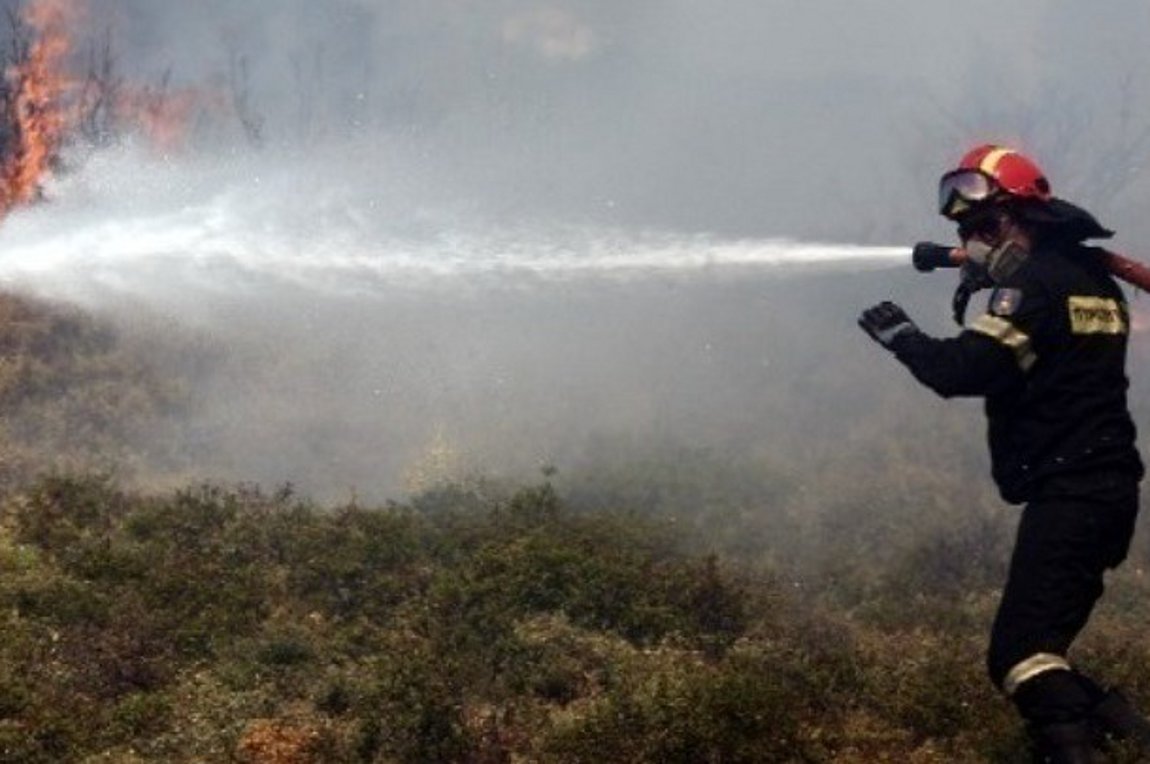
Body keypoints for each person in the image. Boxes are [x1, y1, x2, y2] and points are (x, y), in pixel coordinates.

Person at [858, 144, 1150, 763]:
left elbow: (966, 370)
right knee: (1041, 649)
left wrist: (901, 336)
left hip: (1074, 492)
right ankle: (1125, 732)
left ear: (1026, 219)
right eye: (968, 232)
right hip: (1103, 490)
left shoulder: (1036, 288)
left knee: (1019, 655)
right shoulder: (1091, 281)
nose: (978, 241)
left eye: (988, 227)